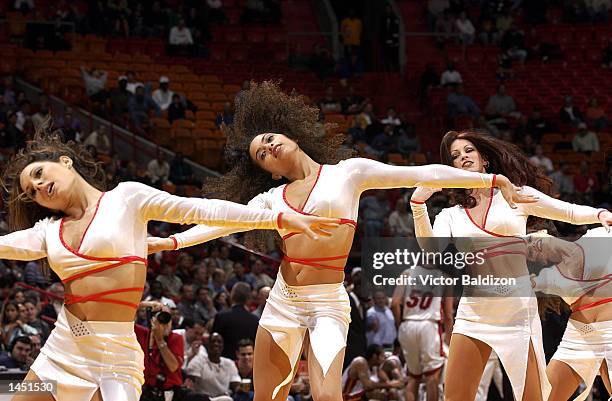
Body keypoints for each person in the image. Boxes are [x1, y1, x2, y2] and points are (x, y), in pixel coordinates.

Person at [149, 81, 530, 401]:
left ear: (291, 135)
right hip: (282, 301)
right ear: (267, 171)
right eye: (261, 155)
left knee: (328, 396)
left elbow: (420, 171)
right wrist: (172, 243)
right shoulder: (271, 199)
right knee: (268, 396)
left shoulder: (349, 174)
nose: (269, 148)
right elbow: (222, 220)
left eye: (269, 140)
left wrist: (489, 180)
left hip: (328, 303)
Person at [1, 123, 337, 401]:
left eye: (40, 173)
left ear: (65, 162)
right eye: (32, 190)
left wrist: (276, 218)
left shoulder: (127, 198)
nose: (40, 186)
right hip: (60, 353)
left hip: (113, 361)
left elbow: (203, 209)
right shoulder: (47, 232)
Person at [409, 130, 612, 401]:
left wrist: (600, 214)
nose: (463, 157)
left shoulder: (515, 196)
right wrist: (418, 205)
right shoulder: (450, 215)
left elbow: (567, 211)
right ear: (452, 168)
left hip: (518, 314)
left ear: (485, 159)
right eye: (456, 156)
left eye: (469, 151)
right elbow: (432, 251)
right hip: (474, 313)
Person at [529, 228, 612, 401]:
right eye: (529, 252)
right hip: (579, 336)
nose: (532, 246)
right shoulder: (548, 276)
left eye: (530, 239)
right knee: (542, 398)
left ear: (545, 232)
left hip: (609, 331)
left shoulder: (597, 235)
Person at [391, 266, 453, 401]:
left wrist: (400, 325)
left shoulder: (407, 272)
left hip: (407, 325)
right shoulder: (445, 277)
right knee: (432, 377)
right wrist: (449, 338)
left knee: (413, 377)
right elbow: (448, 315)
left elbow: (394, 303)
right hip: (429, 326)